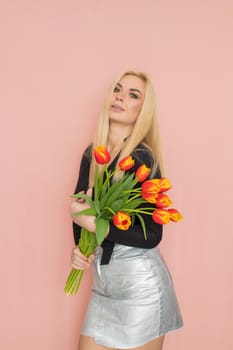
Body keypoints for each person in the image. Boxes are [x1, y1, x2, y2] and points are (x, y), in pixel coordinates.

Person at [70, 70, 183, 350]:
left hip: (140, 290)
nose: (120, 97)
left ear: (142, 111)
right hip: (103, 289)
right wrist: (79, 251)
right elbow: (81, 217)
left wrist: (94, 225)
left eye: (133, 95)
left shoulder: (143, 159)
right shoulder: (92, 155)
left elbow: (151, 236)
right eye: (118, 90)